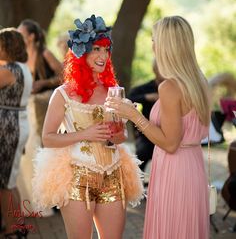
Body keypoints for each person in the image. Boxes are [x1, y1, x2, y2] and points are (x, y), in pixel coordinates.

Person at [32, 15, 144, 239]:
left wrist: (121, 127)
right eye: (96, 49)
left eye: (106, 50)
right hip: (76, 176)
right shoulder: (63, 93)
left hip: (113, 174)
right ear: (82, 52)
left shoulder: (114, 90)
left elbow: (120, 138)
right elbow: (48, 138)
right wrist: (86, 133)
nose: (103, 56)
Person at [106, 15, 210, 239]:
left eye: (154, 40)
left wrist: (134, 115)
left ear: (165, 45)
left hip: (175, 169)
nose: (152, 45)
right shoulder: (200, 81)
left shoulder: (170, 87)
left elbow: (170, 143)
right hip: (193, 165)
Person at [0, 28, 32, 238]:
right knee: (9, 180)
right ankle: (17, 225)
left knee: (4, 182)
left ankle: (13, 229)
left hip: (8, 128)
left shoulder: (9, 69)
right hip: (16, 125)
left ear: (7, 47)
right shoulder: (22, 67)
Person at [17, 19, 63, 136]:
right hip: (28, 106)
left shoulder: (45, 54)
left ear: (31, 37)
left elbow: (64, 75)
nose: (17, 37)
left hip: (46, 103)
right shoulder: (21, 57)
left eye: (20, 34)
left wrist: (44, 83)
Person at [128, 60, 163, 172]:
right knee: (140, 156)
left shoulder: (174, 88)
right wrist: (146, 97)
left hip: (167, 132)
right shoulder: (148, 87)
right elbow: (129, 97)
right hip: (147, 134)